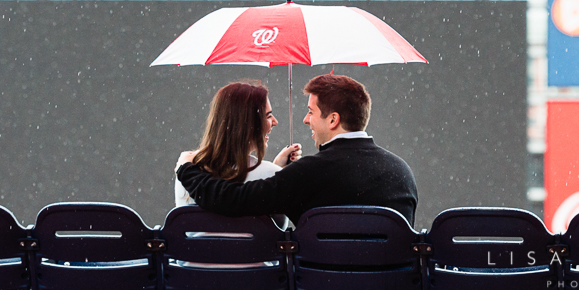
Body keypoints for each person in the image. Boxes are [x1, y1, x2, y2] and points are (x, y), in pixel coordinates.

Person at [176, 74, 418, 226]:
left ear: (333, 120)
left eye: (311, 112)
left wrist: (187, 169)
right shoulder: (402, 172)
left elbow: (233, 199)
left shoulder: (309, 174)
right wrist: (278, 172)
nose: (304, 120)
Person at [174, 81, 302, 215]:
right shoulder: (270, 174)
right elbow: (279, 226)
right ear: (248, 124)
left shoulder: (187, 169)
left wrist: (276, 170)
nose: (275, 122)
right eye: (268, 116)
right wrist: (278, 173)